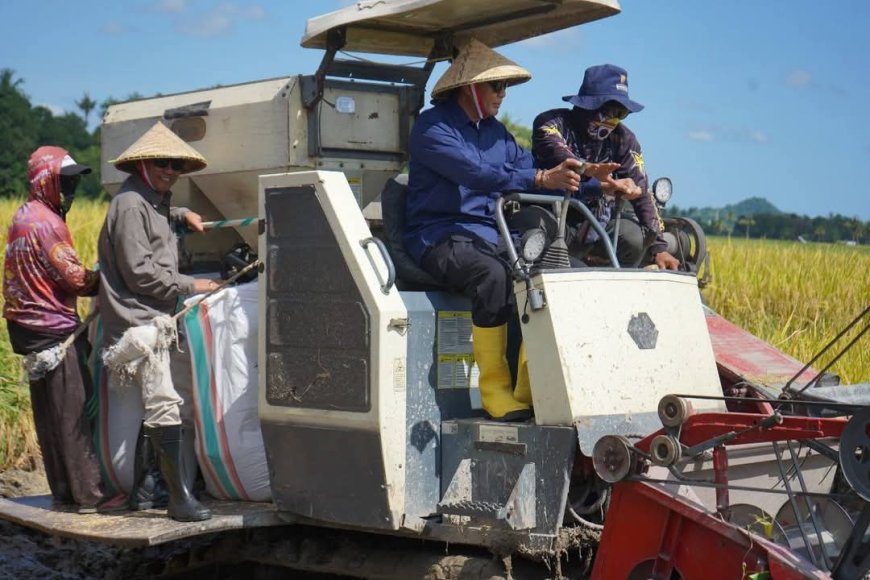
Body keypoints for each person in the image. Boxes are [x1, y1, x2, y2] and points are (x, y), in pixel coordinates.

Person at [403, 39, 621, 422]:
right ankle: (495, 391)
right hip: (438, 236)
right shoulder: (432, 127)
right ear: (470, 86)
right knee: (493, 274)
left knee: (553, 271)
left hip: (489, 233)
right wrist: (541, 175)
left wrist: (592, 183)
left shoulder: (497, 133)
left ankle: (530, 384)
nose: (502, 95)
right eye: (496, 86)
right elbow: (478, 173)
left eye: (505, 87)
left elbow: (533, 173)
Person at [97, 121, 220, 522]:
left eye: (176, 165)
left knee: (144, 410)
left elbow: (157, 215)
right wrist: (192, 284)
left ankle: (145, 491)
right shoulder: (131, 205)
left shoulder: (152, 200)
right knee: (164, 405)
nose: (170, 170)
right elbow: (140, 273)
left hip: (147, 323)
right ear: (143, 164)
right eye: (162, 163)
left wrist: (182, 213)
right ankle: (179, 500)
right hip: (140, 327)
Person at [2, 146, 120, 514]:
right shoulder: (49, 224)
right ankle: (90, 495)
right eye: (64, 182)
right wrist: (109, 275)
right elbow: (74, 279)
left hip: (24, 329)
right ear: (45, 181)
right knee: (72, 413)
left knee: (48, 413)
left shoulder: (22, 216)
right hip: (53, 330)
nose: (69, 191)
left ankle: (64, 491)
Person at [533, 64, 680, 270]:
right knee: (533, 228)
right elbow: (560, 155)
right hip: (553, 213)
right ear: (589, 105)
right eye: (611, 110)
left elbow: (642, 190)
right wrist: (592, 174)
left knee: (634, 238)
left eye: (622, 113)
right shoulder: (551, 123)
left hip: (597, 223)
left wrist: (659, 248)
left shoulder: (624, 139)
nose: (614, 119)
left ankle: (615, 282)